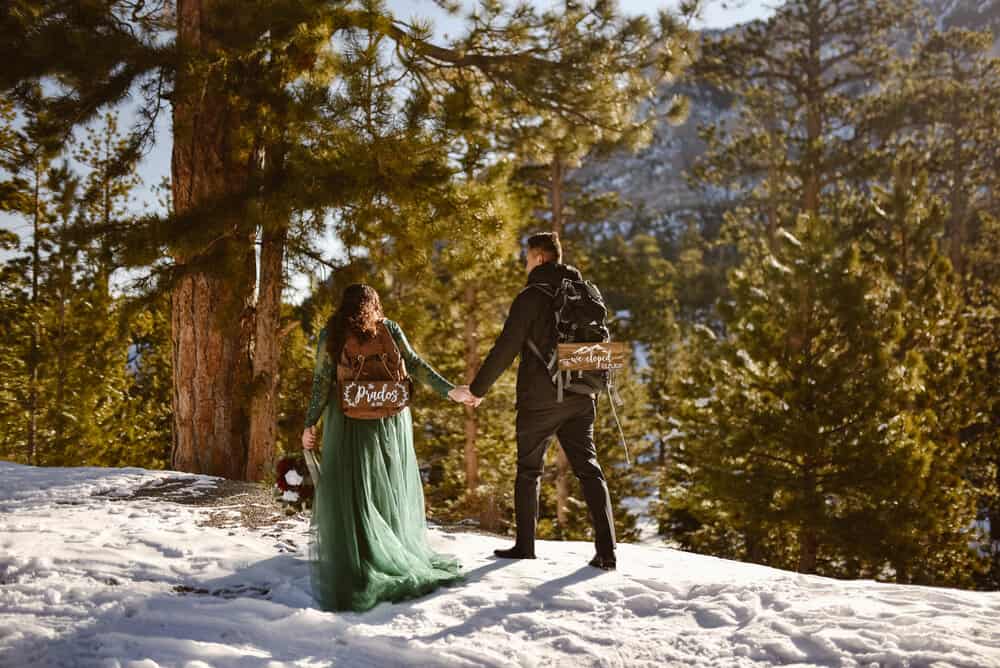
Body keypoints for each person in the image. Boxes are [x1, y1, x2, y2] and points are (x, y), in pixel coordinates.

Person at [301, 283, 475, 612]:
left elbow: (322, 383)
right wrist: (451, 391)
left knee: (355, 487)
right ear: (374, 305)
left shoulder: (333, 333)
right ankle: (391, 546)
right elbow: (416, 365)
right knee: (387, 484)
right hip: (387, 418)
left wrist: (310, 424)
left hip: (349, 419)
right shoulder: (389, 328)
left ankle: (362, 552)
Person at [451, 233, 617, 570]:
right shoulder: (585, 292)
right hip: (582, 393)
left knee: (529, 471)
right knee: (588, 468)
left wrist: (478, 390)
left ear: (539, 258)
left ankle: (525, 546)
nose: (525, 264)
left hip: (539, 400)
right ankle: (607, 550)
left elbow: (505, 348)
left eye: (527, 258)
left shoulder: (531, 296)